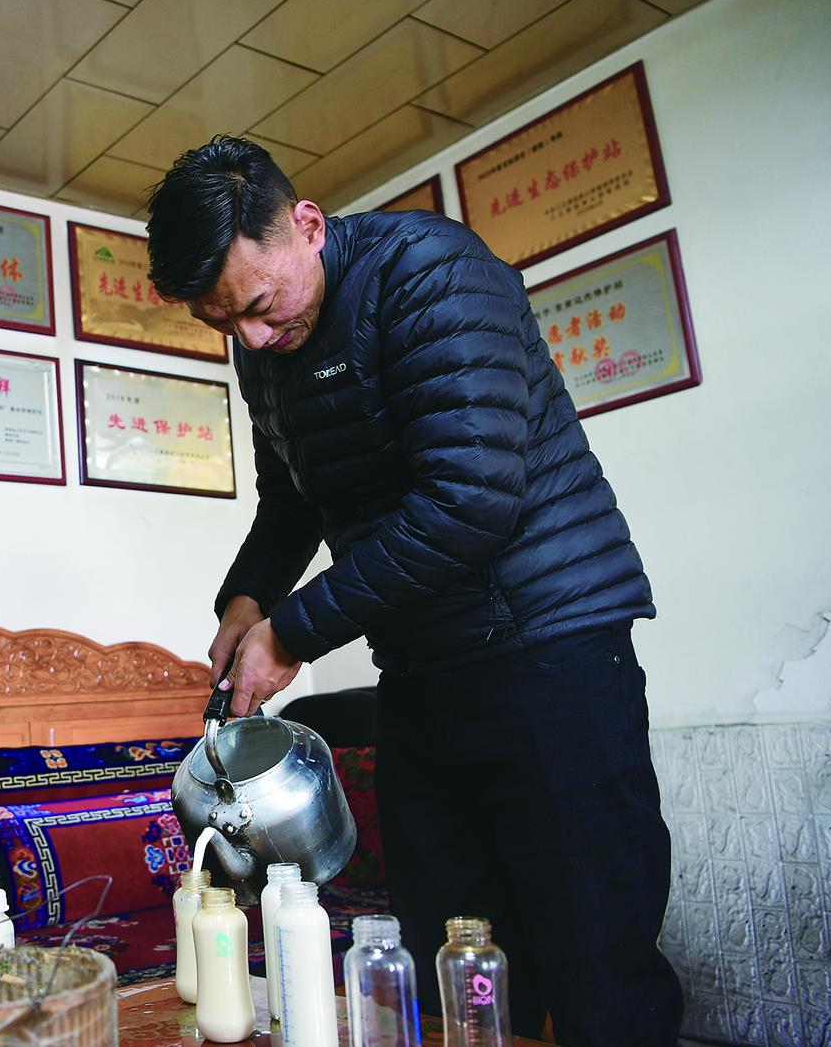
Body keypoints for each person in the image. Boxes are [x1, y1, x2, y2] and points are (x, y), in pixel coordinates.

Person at [145, 136, 681, 1046]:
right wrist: (246, 601)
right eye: (222, 324)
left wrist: (292, 634)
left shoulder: (432, 273)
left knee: (594, 951)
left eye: (259, 308)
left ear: (306, 225)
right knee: (450, 950)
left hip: (547, 650)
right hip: (421, 663)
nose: (252, 340)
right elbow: (290, 500)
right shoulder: (264, 343)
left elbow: (470, 500)